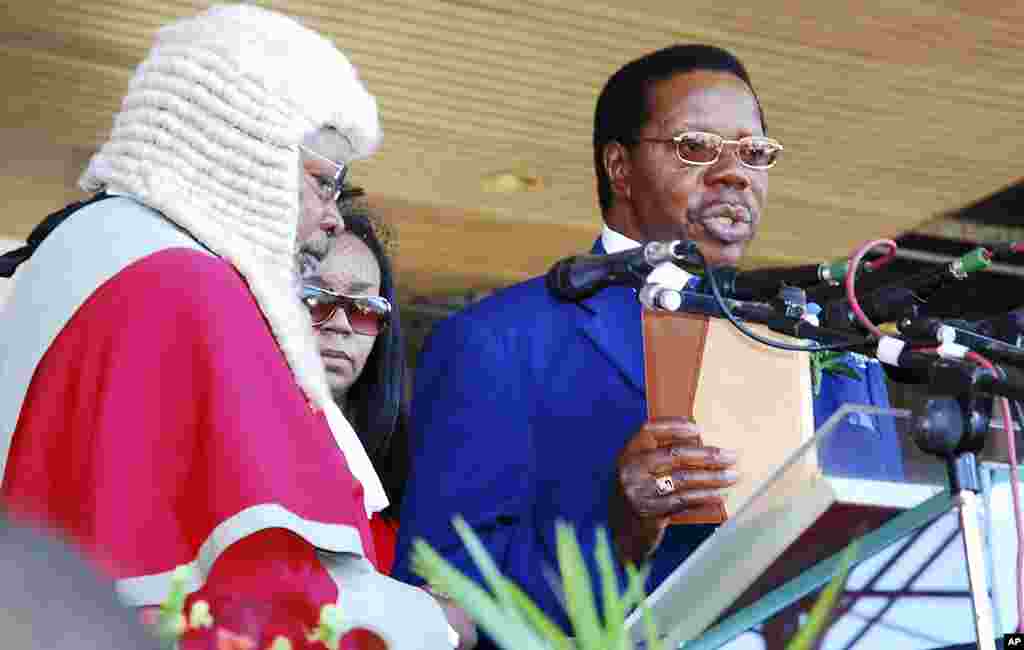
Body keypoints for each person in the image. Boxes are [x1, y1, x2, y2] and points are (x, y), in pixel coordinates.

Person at [392, 44, 904, 648]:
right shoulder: (498, 340)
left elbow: (886, 553)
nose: (735, 173)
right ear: (619, 168)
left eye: (753, 152)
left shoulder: (831, 344)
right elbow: (439, 605)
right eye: (696, 148)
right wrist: (621, 531)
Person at [0, 5, 449, 649]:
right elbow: (274, 588)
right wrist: (437, 623)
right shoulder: (189, 287)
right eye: (323, 184)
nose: (331, 220)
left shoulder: (90, 248)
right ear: (243, 151)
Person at [300, 205, 409, 574]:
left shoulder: (410, 463)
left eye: (364, 309)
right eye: (317, 298)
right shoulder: (243, 441)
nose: (343, 325)